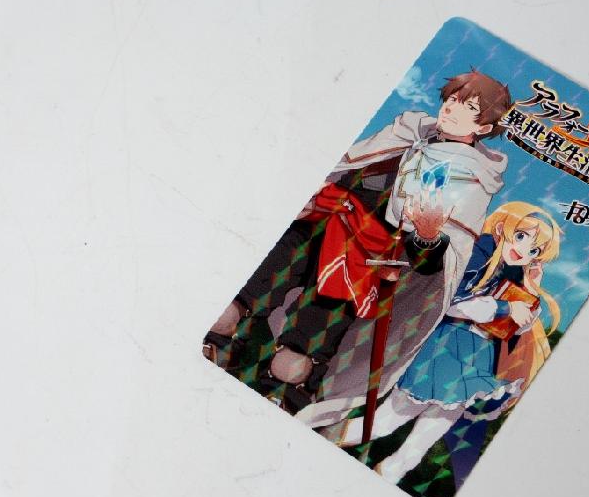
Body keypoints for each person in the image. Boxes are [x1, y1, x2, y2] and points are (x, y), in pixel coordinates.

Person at [204, 71, 512, 414]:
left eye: (468, 107)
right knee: (232, 308)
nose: (452, 108)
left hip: (362, 259)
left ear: (483, 127)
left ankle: (283, 395)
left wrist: (426, 237)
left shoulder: (471, 177)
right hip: (315, 225)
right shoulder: (411, 128)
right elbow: (345, 166)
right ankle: (219, 350)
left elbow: (434, 261)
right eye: (453, 99)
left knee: (294, 360)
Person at [338, 201, 562, 484]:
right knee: (384, 423)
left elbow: (516, 327)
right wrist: (503, 307)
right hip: (445, 347)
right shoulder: (480, 252)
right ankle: (321, 434)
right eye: (521, 236)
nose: (524, 250)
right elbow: (451, 300)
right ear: (503, 227)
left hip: (477, 356)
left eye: (534, 251)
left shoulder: (514, 272)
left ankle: (381, 482)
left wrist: (529, 289)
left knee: (417, 447)